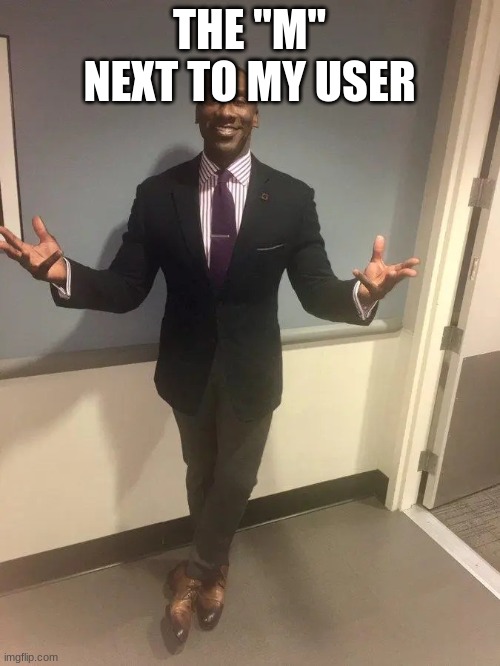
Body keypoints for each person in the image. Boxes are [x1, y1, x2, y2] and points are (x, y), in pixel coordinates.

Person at [0, 67, 419, 645]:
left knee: (236, 477)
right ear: (198, 112)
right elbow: (127, 288)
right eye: (214, 99)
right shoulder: (157, 195)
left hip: (253, 370)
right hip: (186, 368)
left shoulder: (292, 198)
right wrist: (62, 273)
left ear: (256, 114)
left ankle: (195, 574)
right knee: (200, 472)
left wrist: (362, 295)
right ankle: (216, 568)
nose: (226, 110)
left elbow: (316, 289)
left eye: (239, 100)